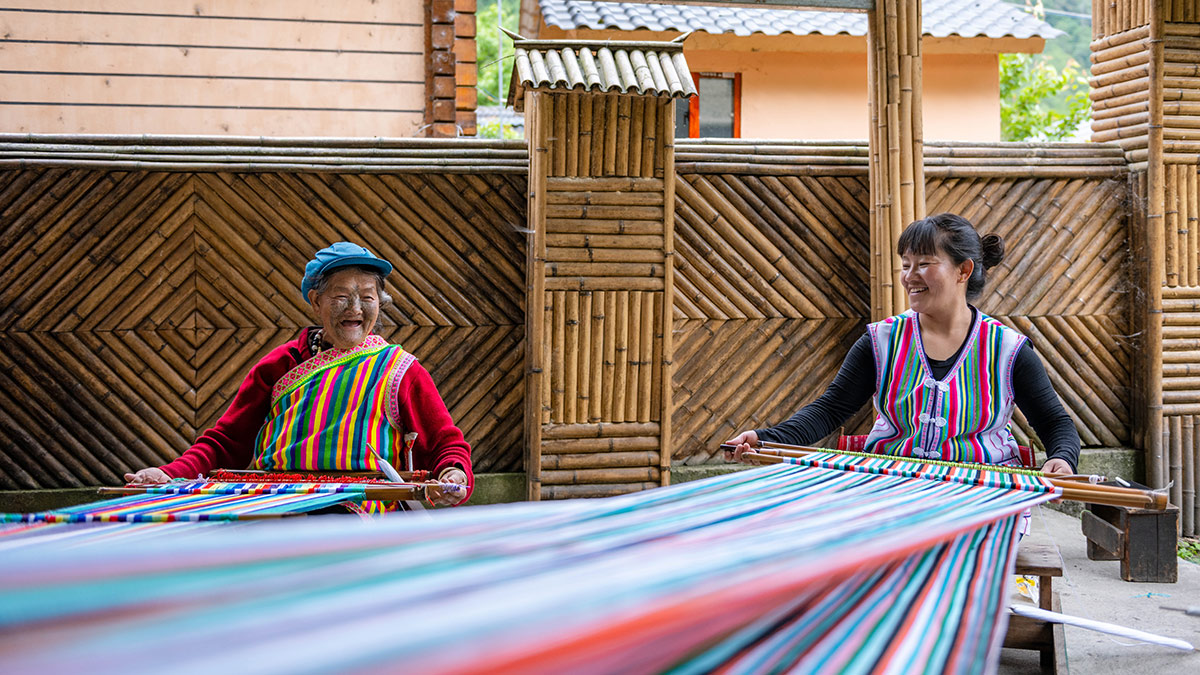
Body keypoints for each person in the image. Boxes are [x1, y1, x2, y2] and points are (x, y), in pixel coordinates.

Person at [727, 213, 1079, 482]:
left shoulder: (1008, 350)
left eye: (924, 264)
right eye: (906, 264)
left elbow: (1054, 422)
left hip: (980, 494)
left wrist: (1061, 458)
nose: (910, 275)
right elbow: (830, 410)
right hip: (890, 487)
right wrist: (765, 438)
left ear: (963, 271)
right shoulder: (881, 341)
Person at [125, 242, 473, 507]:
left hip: (363, 511)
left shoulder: (400, 371)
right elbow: (226, 442)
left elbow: (446, 445)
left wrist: (453, 474)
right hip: (279, 504)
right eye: (341, 296)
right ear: (315, 301)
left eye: (367, 297)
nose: (355, 309)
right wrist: (169, 474)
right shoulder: (280, 365)